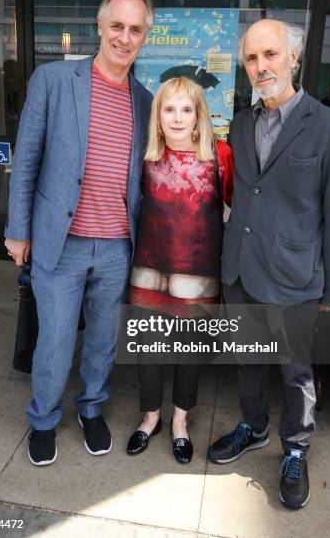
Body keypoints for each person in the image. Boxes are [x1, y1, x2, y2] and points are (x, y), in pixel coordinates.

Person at [207, 19, 330, 509]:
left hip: (296, 278)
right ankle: (253, 427)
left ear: (293, 58)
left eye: (270, 55)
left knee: (297, 374)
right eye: (251, 58)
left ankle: (295, 447)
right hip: (242, 270)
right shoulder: (243, 121)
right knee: (248, 361)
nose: (260, 66)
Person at [4, 0, 154, 466]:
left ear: (144, 36)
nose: (124, 37)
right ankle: (44, 419)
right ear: (100, 26)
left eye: (135, 29)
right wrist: (18, 229)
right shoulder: (52, 81)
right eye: (117, 25)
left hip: (117, 247)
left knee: (103, 342)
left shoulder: (145, 101)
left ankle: (91, 409)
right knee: (55, 340)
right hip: (60, 241)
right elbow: (26, 159)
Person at [126, 77, 233, 464]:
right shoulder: (145, 156)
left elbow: (236, 212)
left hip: (199, 274)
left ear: (198, 116)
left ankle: (180, 423)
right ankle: (150, 416)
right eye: (168, 109)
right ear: (158, 116)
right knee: (148, 350)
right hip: (149, 272)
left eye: (186, 109)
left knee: (189, 353)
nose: (177, 117)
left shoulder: (220, 156)